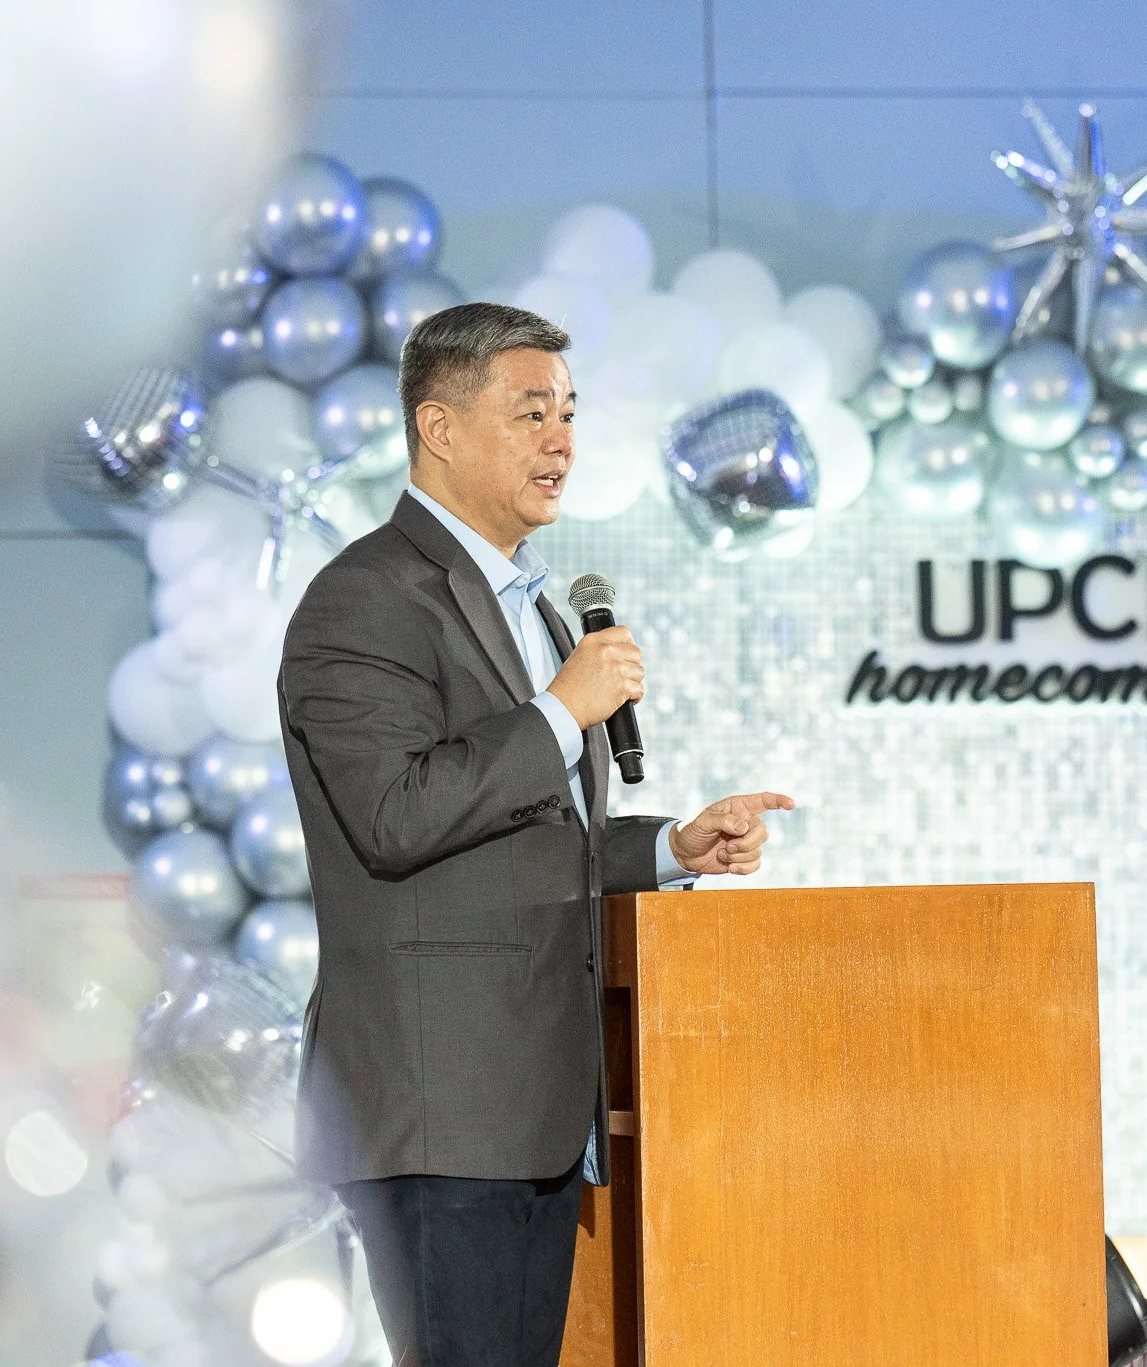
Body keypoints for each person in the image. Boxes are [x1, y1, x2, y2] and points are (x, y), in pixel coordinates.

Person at [277, 301, 793, 1367]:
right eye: (529, 412)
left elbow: (525, 837)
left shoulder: (545, 610)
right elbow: (396, 814)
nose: (560, 439)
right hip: (435, 1106)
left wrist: (666, 849)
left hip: (538, 1106)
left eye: (567, 411)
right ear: (440, 428)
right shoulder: (364, 599)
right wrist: (561, 708)